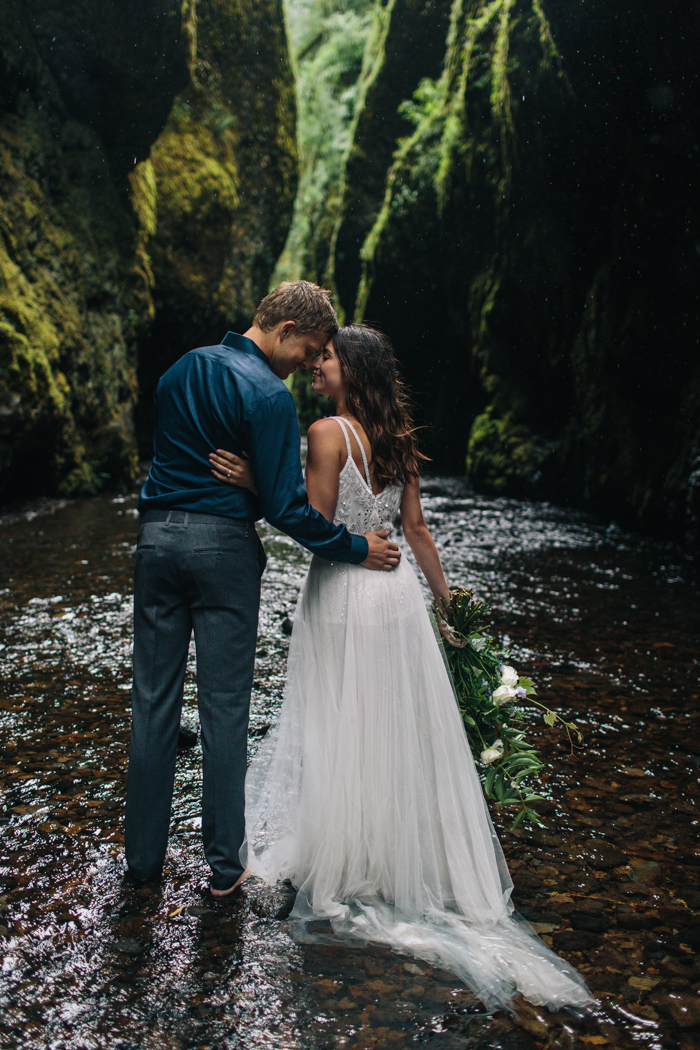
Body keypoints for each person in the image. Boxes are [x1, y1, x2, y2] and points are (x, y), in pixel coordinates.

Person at [210, 324, 594, 1012]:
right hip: (397, 601)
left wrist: (254, 488)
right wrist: (450, 612)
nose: (317, 365)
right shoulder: (398, 439)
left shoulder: (328, 432)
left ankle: (351, 859)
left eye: (327, 358)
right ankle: (393, 856)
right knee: (385, 728)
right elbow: (416, 532)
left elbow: (312, 523)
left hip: (344, 591)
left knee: (340, 724)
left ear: (352, 370)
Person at [125, 283, 401, 898]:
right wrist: (358, 548)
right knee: (224, 710)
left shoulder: (178, 371)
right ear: (281, 328)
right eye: (308, 348)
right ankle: (225, 869)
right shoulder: (268, 397)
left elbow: (172, 457)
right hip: (221, 551)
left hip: (155, 542)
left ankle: (142, 864)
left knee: (151, 705)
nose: (309, 362)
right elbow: (287, 511)